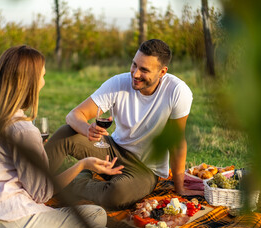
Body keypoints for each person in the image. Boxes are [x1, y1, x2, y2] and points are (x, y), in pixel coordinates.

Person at [0, 45, 125, 228]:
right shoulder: (22, 130)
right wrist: (83, 164)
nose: (43, 82)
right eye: (42, 76)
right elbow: (42, 194)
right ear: (29, 83)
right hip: (20, 223)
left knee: (96, 214)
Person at [45, 39, 201, 210]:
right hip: (112, 150)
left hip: (145, 169)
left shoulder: (178, 92)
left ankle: (72, 183)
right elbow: (74, 115)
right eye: (134, 65)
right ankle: (33, 182)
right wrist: (86, 129)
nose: (135, 74)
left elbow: (177, 141)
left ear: (162, 72)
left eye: (144, 70)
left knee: (116, 194)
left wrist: (180, 188)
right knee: (66, 133)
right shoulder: (118, 83)